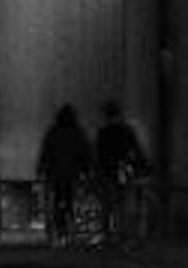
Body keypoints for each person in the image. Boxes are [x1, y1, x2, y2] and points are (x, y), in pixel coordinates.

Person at [90, 101, 151, 242]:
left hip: (106, 171)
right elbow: (136, 150)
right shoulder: (126, 130)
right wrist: (143, 166)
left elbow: (97, 155)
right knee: (121, 203)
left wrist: (95, 171)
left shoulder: (103, 132)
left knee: (106, 204)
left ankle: (106, 234)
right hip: (122, 171)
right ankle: (121, 233)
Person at [37, 102, 91, 239]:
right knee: (69, 200)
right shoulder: (77, 132)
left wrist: (41, 170)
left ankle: (58, 229)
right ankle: (68, 229)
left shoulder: (53, 132)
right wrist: (87, 170)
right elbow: (84, 153)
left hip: (55, 174)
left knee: (56, 201)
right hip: (72, 174)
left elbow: (45, 153)